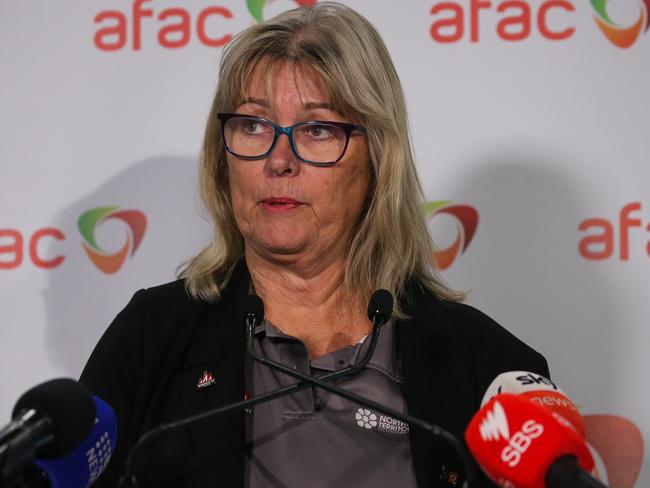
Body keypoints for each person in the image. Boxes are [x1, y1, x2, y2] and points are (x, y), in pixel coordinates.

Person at [80, 3, 548, 487]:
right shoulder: (151, 338)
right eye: (253, 125)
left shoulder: (486, 366)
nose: (278, 161)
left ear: (377, 161)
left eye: (318, 129)